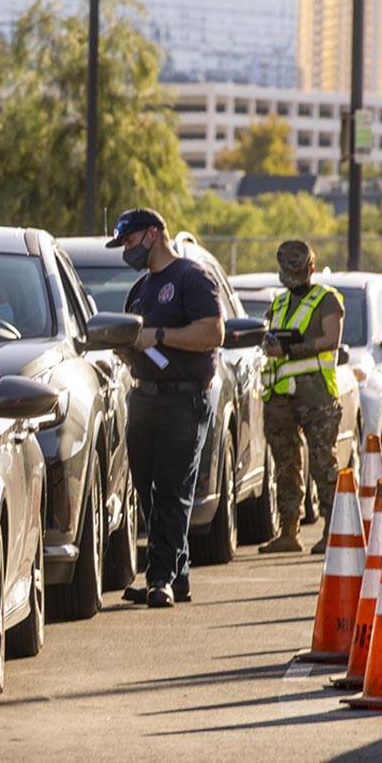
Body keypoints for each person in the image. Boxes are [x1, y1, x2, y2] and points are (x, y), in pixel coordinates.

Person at [109, 208, 224, 608]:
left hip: (182, 398)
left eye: (129, 240)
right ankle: (180, 575)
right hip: (143, 397)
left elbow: (212, 332)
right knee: (148, 492)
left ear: (154, 234)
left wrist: (157, 336)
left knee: (172, 492)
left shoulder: (192, 278)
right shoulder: (140, 288)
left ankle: (159, 578)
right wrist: (125, 347)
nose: (126, 249)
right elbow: (132, 342)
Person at [257, 241, 344, 555]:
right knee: (285, 466)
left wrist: (290, 349)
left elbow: (331, 340)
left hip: (316, 396)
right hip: (281, 398)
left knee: (323, 462)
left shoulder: (327, 300)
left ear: (311, 267)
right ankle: (288, 532)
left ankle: (333, 531)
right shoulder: (278, 303)